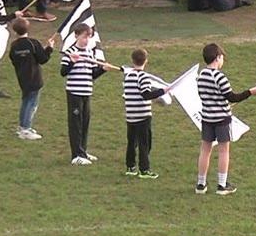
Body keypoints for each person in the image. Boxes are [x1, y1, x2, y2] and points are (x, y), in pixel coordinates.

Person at [195, 43, 256, 195]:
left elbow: (207, 96)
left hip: (207, 118)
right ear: (217, 58)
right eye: (222, 57)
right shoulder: (220, 77)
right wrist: (250, 92)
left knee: (205, 150)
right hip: (221, 120)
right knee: (223, 151)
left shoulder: (201, 75)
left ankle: (200, 184)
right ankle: (222, 185)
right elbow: (232, 97)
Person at [62, 23, 117, 165]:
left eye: (89, 37)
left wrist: (103, 69)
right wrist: (72, 62)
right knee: (75, 124)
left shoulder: (89, 53)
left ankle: (83, 151)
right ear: (76, 35)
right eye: (84, 36)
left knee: (85, 122)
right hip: (74, 93)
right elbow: (63, 72)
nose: (87, 40)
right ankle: (76, 155)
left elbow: (92, 74)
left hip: (86, 92)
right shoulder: (70, 52)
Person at [122, 47, 176, 178]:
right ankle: (144, 169)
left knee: (131, 142)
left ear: (132, 60)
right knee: (145, 143)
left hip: (131, 115)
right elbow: (146, 94)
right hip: (143, 116)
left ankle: (130, 167)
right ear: (146, 61)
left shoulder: (128, 76)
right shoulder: (144, 77)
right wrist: (163, 91)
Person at [9, 17, 55, 140]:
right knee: (32, 103)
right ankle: (26, 128)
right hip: (34, 78)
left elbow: (13, 60)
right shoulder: (33, 43)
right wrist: (49, 48)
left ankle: (22, 126)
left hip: (22, 78)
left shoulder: (14, 46)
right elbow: (43, 59)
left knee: (25, 101)